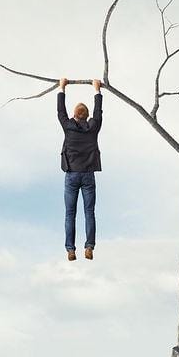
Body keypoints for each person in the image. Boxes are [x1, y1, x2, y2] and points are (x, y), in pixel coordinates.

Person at [57, 77, 102, 261]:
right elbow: (98, 114)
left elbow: (60, 111)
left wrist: (62, 87)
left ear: (75, 116)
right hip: (88, 175)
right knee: (89, 212)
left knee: (70, 213)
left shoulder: (68, 127)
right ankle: (89, 246)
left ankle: (70, 250)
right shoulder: (93, 127)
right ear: (87, 116)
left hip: (72, 175)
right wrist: (97, 90)